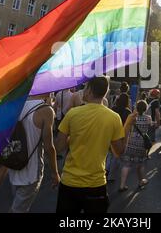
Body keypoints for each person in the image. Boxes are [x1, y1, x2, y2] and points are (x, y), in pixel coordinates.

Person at [55, 76, 129, 213]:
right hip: (96, 184)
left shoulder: (72, 114)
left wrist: (72, 137)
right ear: (105, 93)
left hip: (70, 182)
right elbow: (118, 152)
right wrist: (128, 128)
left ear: (89, 91)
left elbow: (59, 147)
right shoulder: (114, 118)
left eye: (85, 88)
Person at [8, 93, 60, 213]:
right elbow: (49, 147)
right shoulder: (46, 110)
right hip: (32, 170)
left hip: (14, 163)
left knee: (16, 205)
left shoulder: (15, 105)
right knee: (18, 210)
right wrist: (55, 173)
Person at [119, 100, 152, 192]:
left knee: (126, 164)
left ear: (136, 107)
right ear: (145, 109)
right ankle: (141, 181)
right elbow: (152, 126)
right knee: (140, 164)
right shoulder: (148, 118)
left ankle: (122, 185)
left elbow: (126, 128)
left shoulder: (132, 117)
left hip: (130, 141)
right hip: (141, 144)